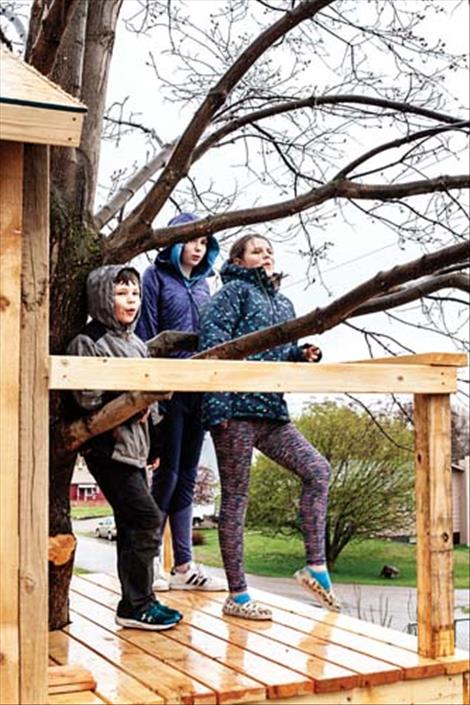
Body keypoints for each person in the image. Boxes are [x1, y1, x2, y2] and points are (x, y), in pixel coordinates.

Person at [198, 233, 341, 620]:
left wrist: (299, 355)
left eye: (269, 251)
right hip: (236, 413)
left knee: (318, 470)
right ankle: (238, 595)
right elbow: (214, 346)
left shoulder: (284, 302)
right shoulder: (232, 294)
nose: (266, 255)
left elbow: (277, 354)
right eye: (257, 250)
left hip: (272, 413)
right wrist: (217, 408)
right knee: (237, 498)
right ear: (239, 260)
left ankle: (315, 566)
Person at [67, 265, 183, 630]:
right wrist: (130, 401)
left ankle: (135, 602)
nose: (130, 300)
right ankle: (138, 603)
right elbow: (86, 398)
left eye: (134, 293)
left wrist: (154, 446)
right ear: (103, 297)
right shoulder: (89, 340)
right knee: (146, 519)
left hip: (136, 448)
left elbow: (154, 404)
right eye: (121, 293)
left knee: (132, 524)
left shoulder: (137, 344)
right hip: (108, 449)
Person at [136, 212, 226, 592]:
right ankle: (151, 559)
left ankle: (184, 565)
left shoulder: (206, 284)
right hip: (168, 388)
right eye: (191, 240)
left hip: (199, 388)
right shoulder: (154, 278)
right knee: (167, 474)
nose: (197, 248)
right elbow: (147, 333)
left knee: (187, 477)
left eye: (204, 243)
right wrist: (154, 385)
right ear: (175, 242)